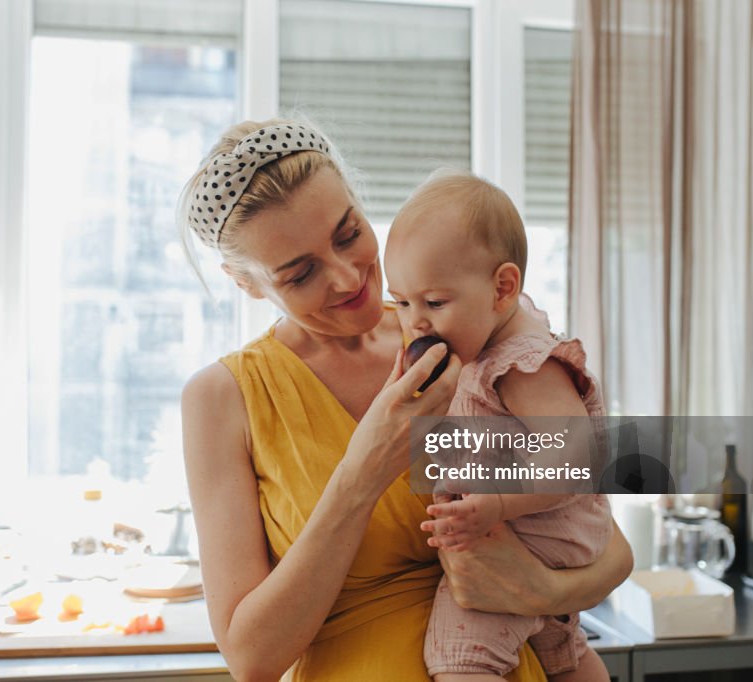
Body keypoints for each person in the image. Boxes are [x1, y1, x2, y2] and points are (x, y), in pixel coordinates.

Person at [178, 119, 633, 682]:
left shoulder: (459, 329)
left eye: (348, 234)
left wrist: (543, 589)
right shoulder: (223, 398)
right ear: (247, 284)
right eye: (300, 274)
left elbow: (603, 539)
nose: (347, 278)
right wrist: (363, 469)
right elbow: (251, 659)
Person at [384, 170, 612, 682]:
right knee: (564, 652)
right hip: (534, 534)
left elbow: (577, 454)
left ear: (503, 288)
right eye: (401, 302)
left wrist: (501, 503)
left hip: (528, 533)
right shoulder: (484, 337)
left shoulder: (520, 364)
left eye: (434, 302)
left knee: (460, 656)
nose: (414, 323)